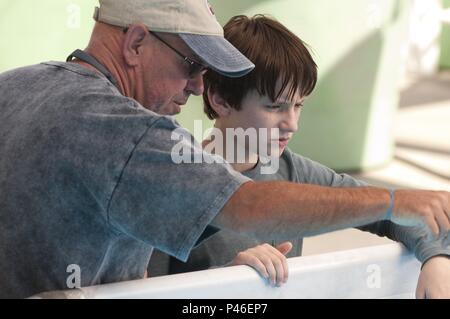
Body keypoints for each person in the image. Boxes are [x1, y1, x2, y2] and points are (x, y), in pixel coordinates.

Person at [0, 0, 449, 299]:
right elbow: (245, 204)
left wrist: (435, 254)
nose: (198, 86)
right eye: (191, 65)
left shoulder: (12, 85)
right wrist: (395, 199)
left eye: (299, 106)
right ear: (136, 43)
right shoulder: (133, 135)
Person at [148, 15, 450, 298]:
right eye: (274, 107)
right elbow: (144, 290)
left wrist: (435, 258)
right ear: (221, 99)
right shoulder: (176, 185)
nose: (292, 124)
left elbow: (395, 213)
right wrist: (226, 280)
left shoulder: (294, 171)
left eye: (298, 105)